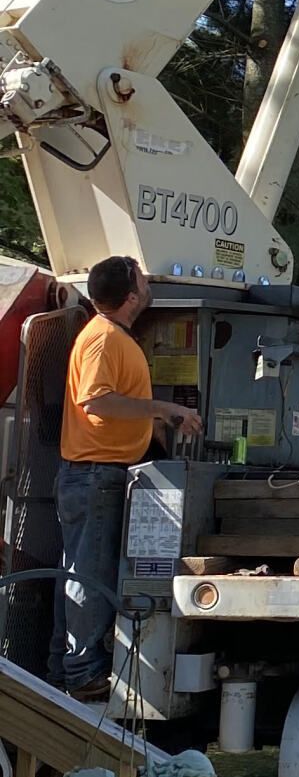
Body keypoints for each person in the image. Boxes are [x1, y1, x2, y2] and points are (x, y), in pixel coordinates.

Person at [58, 256, 199, 701]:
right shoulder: (102, 339)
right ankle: (82, 672)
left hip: (101, 473)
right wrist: (166, 409)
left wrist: (155, 425)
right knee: (89, 575)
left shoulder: (112, 336)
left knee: (88, 572)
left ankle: (77, 665)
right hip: (95, 475)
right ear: (132, 295)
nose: (148, 279)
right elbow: (96, 402)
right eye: (141, 276)